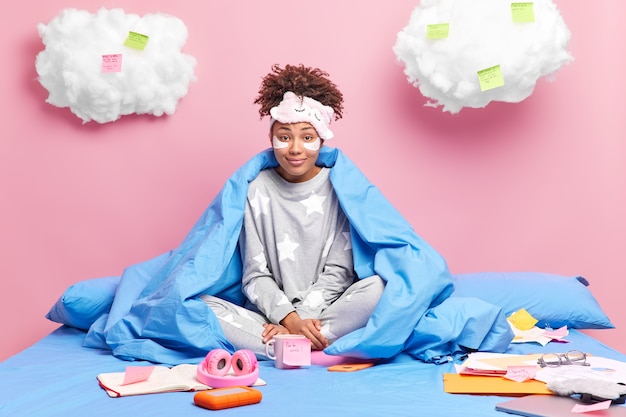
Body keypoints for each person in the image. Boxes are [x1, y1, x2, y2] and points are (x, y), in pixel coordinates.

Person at [200, 64, 385, 358]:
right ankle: (299, 341)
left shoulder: (340, 187)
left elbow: (339, 271)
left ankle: (291, 344)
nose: (295, 148)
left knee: (377, 289)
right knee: (198, 305)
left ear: (322, 140)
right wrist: (288, 318)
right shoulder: (255, 189)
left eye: (307, 137)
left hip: (322, 312)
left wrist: (303, 319)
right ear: (271, 138)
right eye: (284, 137)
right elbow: (254, 274)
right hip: (271, 319)